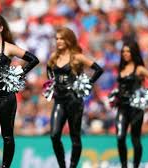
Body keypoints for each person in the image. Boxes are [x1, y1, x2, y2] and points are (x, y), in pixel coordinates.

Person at [0, 15, 39, 168]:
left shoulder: (9, 47)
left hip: (6, 97)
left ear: (1, 28)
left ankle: (5, 166)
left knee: (7, 135)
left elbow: (33, 59)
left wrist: (19, 74)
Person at [46, 27, 103, 168]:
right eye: (57, 38)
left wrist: (87, 84)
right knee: (54, 135)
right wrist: (51, 84)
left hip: (74, 100)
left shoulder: (77, 57)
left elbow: (98, 69)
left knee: (75, 137)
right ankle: (62, 166)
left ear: (69, 40)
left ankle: (72, 166)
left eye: (62, 38)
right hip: (59, 100)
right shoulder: (54, 57)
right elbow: (49, 70)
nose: (58, 41)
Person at [115, 39, 148, 168]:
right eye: (123, 51)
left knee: (135, 139)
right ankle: (124, 165)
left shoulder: (139, 69)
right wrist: (115, 96)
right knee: (120, 137)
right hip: (122, 107)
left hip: (136, 109)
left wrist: (146, 92)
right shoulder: (121, 68)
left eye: (128, 51)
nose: (125, 54)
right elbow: (120, 86)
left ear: (133, 53)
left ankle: (135, 166)